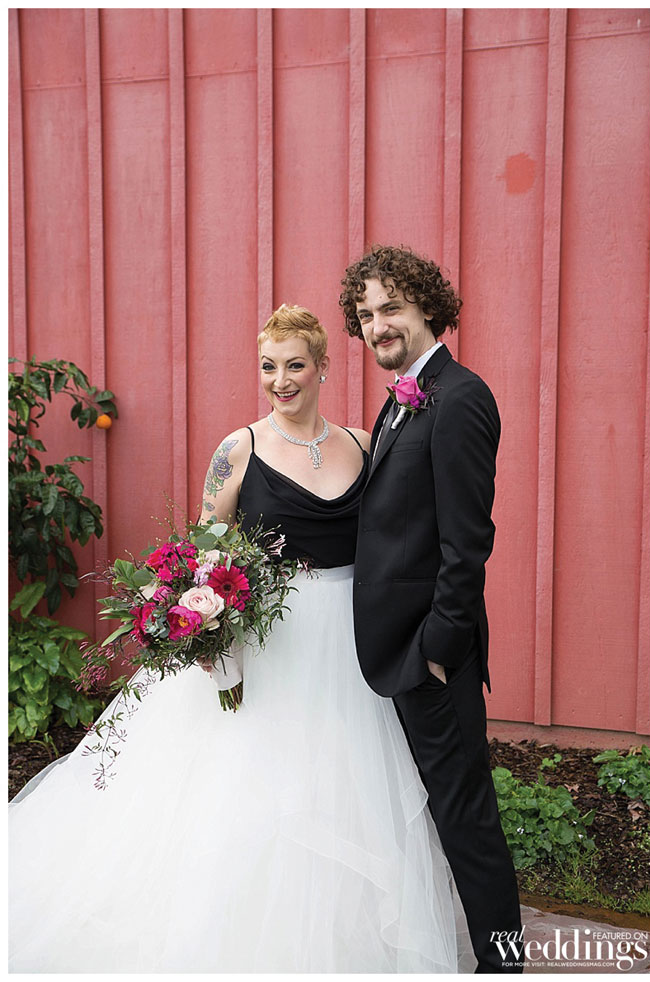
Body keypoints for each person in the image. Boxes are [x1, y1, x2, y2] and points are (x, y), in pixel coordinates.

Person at [9, 303, 474, 973]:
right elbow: (203, 546)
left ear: (322, 367)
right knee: (253, 788)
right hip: (269, 643)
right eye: (268, 367)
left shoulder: (361, 444)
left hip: (349, 644)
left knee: (345, 788)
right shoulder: (239, 450)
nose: (281, 381)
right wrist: (207, 626)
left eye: (295, 366)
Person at [340, 246, 524, 973]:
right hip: (399, 649)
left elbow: (467, 541)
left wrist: (439, 650)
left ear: (426, 307)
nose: (378, 325)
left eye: (391, 307)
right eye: (365, 315)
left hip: (430, 656)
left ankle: (502, 966)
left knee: (465, 818)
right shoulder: (403, 398)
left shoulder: (461, 396)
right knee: (435, 811)